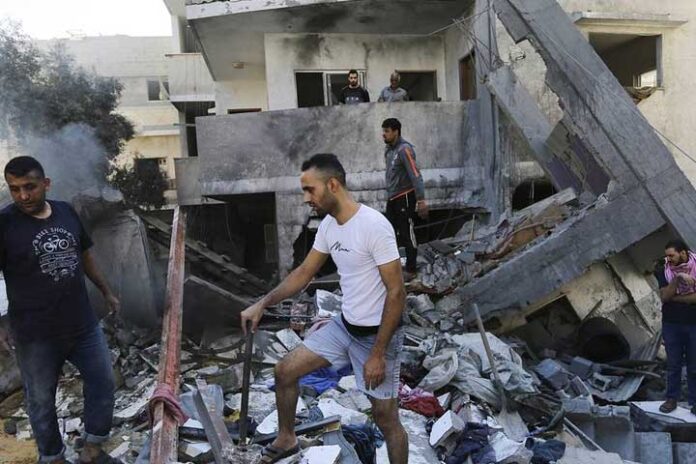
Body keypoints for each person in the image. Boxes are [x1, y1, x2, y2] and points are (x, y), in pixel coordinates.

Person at [240, 154, 408, 463]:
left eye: (310, 189)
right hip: (345, 327)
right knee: (285, 371)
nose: (306, 198)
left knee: (386, 418)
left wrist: (378, 353)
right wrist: (263, 303)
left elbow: (397, 292)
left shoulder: (374, 226)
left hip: (378, 336)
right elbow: (304, 273)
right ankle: (287, 438)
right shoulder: (329, 226)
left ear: (332, 185)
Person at [0, 156, 121, 464]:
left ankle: (92, 449)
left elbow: (85, 256)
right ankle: (53, 458)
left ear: (46, 183)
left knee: (103, 381)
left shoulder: (66, 211)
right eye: (14, 189)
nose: (23, 196)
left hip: (82, 324)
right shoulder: (4, 223)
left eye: (29, 187)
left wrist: (106, 291)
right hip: (34, 334)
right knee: (41, 401)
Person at [382, 118, 428, 280]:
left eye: (387, 131)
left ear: (396, 132)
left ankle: (411, 268)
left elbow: (415, 175)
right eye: (383, 131)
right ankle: (393, 267)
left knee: (406, 232)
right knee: (388, 232)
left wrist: (421, 200)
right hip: (392, 198)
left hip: (405, 197)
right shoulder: (389, 151)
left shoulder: (404, 149)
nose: (384, 134)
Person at [656, 239, 696, 415]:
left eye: (672, 255)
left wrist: (676, 298)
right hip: (672, 324)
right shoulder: (662, 268)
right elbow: (665, 297)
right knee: (673, 364)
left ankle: (695, 401)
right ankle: (671, 399)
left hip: (694, 324)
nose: (669, 259)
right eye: (667, 256)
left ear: (683, 253)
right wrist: (678, 278)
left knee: (694, 365)